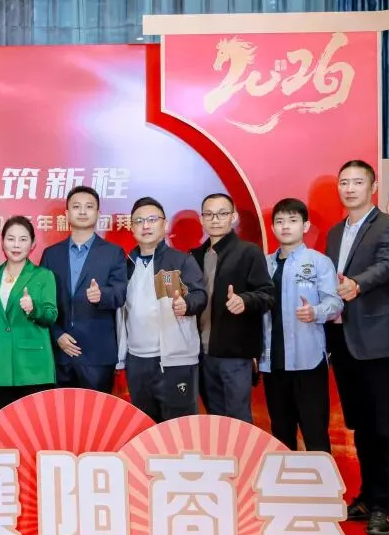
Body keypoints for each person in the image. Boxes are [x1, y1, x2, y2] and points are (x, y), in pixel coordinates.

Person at [325, 159, 389, 535]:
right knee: (361, 426)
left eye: (358, 182)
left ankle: (384, 507)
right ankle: (367, 496)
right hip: (343, 341)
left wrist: (356, 283)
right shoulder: (334, 232)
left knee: (384, 427)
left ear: (373, 187)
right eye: (344, 182)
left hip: (378, 341)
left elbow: (388, 265)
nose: (350, 188)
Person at [258, 198, 342, 453]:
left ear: (305, 226)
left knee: (315, 433)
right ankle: (286, 480)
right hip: (273, 362)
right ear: (272, 227)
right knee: (281, 435)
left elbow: (335, 303)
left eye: (292, 220)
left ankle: (322, 481)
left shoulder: (319, 262)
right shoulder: (264, 263)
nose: (285, 226)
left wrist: (315, 311)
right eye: (280, 221)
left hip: (308, 361)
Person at [119, 197, 206, 423]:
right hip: (137, 360)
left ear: (164, 225)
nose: (145, 226)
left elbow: (199, 295)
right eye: (139, 221)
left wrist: (186, 305)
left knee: (179, 427)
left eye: (152, 219)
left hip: (174, 360)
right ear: (132, 228)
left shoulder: (180, 261)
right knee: (145, 426)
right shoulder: (126, 264)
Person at [191, 193, 274, 422]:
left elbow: (267, 294)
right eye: (209, 214)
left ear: (233, 217)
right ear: (202, 219)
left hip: (235, 353)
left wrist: (244, 300)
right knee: (215, 421)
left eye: (222, 214)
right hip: (201, 352)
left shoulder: (249, 252)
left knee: (238, 420)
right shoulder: (195, 256)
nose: (215, 220)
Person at [40, 186, 127, 393]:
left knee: (97, 412)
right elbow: (42, 301)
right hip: (60, 352)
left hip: (97, 354)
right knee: (60, 412)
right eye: (76, 206)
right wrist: (56, 335)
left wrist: (102, 295)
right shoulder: (51, 254)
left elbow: (121, 293)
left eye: (89, 207)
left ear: (98, 213)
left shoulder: (113, 253)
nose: (82, 211)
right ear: (67, 213)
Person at [0, 216, 58, 410]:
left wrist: (34, 309)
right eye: (11, 239)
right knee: (8, 425)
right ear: (2, 242)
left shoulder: (43, 275)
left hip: (34, 367)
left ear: (33, 244)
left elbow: (51, 315)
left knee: (36, 426)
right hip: (0, 364)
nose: (16, 245)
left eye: (23, 239)